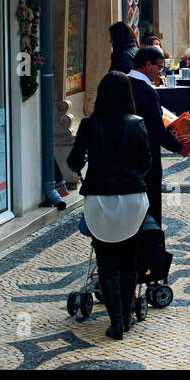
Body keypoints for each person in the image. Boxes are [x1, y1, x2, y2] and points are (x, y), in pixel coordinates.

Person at [66, 72, 152, 340]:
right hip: (132, 198)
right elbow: (146, 163)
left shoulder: (90, 126)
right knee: (129, 259)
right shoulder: (137, 123)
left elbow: (73, 161)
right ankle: (126, 318)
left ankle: (116, 323)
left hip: (100, 197)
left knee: (105, 260)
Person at [126, 45, 190, 226]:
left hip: (124, 155)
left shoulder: (122, 83)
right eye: (159, 66)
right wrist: (179, 147)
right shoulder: (147, 90)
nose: (160, 71)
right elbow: (156, 129)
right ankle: (152, 246)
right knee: (150, 202)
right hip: (147, 156)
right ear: (148, 65)